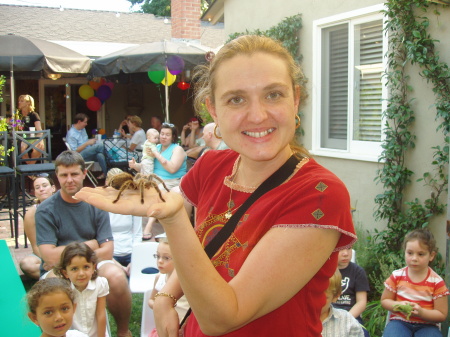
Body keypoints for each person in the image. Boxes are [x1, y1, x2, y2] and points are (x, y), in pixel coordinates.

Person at [75, 35, 356, 337]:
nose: (258, 115)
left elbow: (223, 317)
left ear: (296, 99)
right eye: (236, 99)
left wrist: (173, 219)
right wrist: (168, 296)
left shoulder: (319, 193)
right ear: (213, 109)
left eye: (273, 94)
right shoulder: (212, 166)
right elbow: (207, 250)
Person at [35, 150, 132, 337]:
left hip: (93, 264)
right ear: (57, 176)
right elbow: (48, 256)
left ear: (84, 174)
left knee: (116, 276)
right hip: (58, 270)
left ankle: (123, 332)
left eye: (74, 174)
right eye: (64, 175)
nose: (69, 180)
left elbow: (108, 251)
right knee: (51, 285)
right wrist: (92, 244)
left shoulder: (97, 203)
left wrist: (71, 255)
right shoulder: (46, 210)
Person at [381, 228, 449, 337]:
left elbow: (441, 314)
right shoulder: (397, 276)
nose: (414, 258)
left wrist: (422, 313)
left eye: (421, 254)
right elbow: (385, 300)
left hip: (427, 325)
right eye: (410, 253)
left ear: (431, 255)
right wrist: (398, 305)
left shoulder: (437, 282)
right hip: (400, 322)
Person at [139, 123, 187, 240]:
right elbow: (147, 166)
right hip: (154, 180)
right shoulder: (157, 147)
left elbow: (172, 169)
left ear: (173, 137)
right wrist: (135, 165)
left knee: (158, 191)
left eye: (167, 135)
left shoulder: (177, 149)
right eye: (162, 134)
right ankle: (139, 228)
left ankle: (149, 227)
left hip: (172, 181)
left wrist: (157, 154)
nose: (163, 137)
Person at [54, 242, 109, 337]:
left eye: (86, 267)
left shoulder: (100, 284)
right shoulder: (63, 290)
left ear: (93, 268)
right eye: (74, 269)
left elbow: (101, 314)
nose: (81, 273)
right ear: (65, 272)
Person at [147, 237, 189, 337]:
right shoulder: (160, 278)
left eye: (166, 258)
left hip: (183, 327)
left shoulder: (186, 282)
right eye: (157, 256)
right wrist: (161, 306)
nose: (160, 261)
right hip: (165, 327)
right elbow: (151, 300)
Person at [106, 168, 143, 275]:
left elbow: (137, 233)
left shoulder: (132, 204)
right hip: (111, 254)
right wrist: (114, 262)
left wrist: (134, 259)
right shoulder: (101, 206)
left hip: (130, 253)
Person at [20, 174, 57, 279]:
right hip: (43, 253)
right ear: (35, 192)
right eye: (37, 187)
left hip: (63, 249)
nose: (41, 189)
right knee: (27, 264)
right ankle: (57, 274)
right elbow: (35, 245)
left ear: (53, 188)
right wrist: (49, 261)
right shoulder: (32, 212)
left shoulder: (63, 205)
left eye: (44, 185)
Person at [334, 247, 370, 336]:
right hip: (328, 315)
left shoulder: (358, 272)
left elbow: (361, 302)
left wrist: (345, 319)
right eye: (341, 249)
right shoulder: (325, 271)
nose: (346, 253)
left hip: (351, 316)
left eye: (349, 248)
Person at [321, 269, 364, 337]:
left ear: (336, 297)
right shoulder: (299, 321)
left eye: (324, 298)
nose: (316, 301)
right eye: (312, 295)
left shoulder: (348, 322)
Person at [66, 113, 107, 180]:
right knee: (100, 146)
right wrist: (87, 143)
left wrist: (91, 142)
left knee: (100, 155)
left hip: (87, 153)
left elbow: (85, 141)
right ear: (79, 121)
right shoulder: (71, 134)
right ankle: (112, 161)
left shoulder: (83, 129)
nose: (86, 124)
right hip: (78, 156)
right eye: (85, 122)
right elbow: (74, 151)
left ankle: (107, 175)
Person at [18, 94, 45, 164]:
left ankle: (30, 167)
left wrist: (40, 140)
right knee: (22, 148)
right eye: (19, 101)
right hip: (22, 137)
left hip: (33, 136)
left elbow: (39, 129)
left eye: (22, 101)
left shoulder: (34, 115)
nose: (19, 102)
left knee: (39, 148)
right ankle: (30, 168)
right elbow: (16, 127)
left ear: (28, 103)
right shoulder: (18, 115)